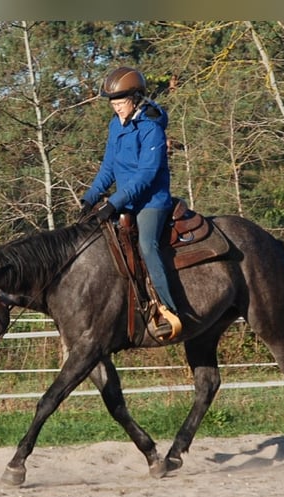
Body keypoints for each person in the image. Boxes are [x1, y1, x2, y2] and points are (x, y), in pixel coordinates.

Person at [80, 66, 182, 340]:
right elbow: (109, 167)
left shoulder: (151, 129)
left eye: (121, 100)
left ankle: (168, 309)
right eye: (113, 102)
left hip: (151, 201)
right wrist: (89, 198)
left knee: (147, 246)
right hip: (124, 201)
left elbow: (146, 175)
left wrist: (113, 202)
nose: (116, 107)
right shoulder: (116, 125)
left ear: (136, 98)